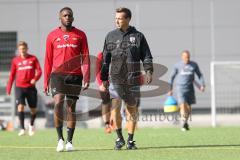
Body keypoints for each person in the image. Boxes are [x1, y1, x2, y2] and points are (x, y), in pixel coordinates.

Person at [101, 7, 153, 150]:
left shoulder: (138, 36)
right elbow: (105, 59)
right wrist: (103, 78)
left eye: (120, 18)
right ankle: (119, 138)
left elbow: (147, 55)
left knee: (131, 109)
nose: (117, 20)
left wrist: (148, 71)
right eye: (116, 18)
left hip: (133, 79)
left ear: (128, 19)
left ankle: (130, 140)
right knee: (115, 108)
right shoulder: (110, 36)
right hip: (116, 79)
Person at [44, 7, 90, 152]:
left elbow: (86, 57)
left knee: (71, 108)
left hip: (75, 76)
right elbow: (48, 60)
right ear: (60, 18)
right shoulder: (52, 35)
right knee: (58, 104)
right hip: (57, 75)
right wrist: (45, 81)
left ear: (73, 18)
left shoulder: (80, 35)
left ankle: (69, 141)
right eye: (65, 15)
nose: (67, 17)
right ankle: (60, 140)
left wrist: (87, 76)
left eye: (69, 15)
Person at [6, 41, 42, 136]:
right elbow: (12, 75)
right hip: (19, 87)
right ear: (19, 50)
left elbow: (39, 71)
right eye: (21, 49)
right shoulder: (15, 60)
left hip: (30, 88)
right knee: (20, 107)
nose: (22, 50)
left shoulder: (33, 58)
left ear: (27, 49)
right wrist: (9, 87)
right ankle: (22, 128)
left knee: (33, 109)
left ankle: (31, 125)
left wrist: (35, 79)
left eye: (24, 48)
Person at [168, 50, 205, 131]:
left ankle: (185, 122)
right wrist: (170, 88)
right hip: (180, 88)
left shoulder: (194, 65)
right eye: (185, 57)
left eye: (188, 57)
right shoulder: (177, 65)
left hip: (190, 89)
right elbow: (172, 77)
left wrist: (202, 84)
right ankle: (183, 122)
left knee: (188, 107)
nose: (187, 59)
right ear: (182, 57)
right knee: (182, 104)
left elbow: (200, 75)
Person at [96, 52, 114, 134]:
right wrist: (101, 84)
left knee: (115, 102)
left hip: (117, 82)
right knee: (106, 102)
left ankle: (113, 123)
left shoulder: (120, 53)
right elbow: (97, 70)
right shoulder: (101, 55)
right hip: (104, 82)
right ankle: (107, 125)